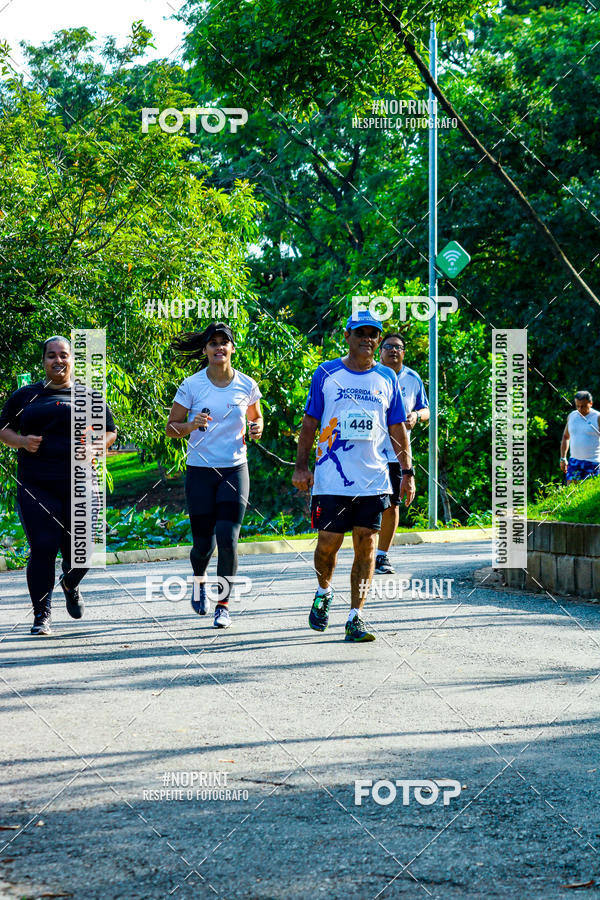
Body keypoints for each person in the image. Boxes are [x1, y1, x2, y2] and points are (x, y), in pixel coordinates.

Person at [292, 310, 415, 643]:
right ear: (346, 336)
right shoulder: (326, 373)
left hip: (373, 478)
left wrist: (407, 473)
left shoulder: (387, 378)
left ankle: (356, 616)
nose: (368, 339)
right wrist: (302, 466)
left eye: (373, 334)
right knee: (327, 545)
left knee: (367, 545)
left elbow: (397, 428)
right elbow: (309, 423)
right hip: (332, 477)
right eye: (360, 333)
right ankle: (324, 591)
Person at [0, 336, 117, 635]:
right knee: (42, 547)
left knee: (88, 548)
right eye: (51, 356)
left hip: (81, 484)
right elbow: (3, 429)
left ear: (72, 360)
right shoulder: (25, 396)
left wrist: (94, 448)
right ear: (43, 361)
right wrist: (22, 441)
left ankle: (70, 582)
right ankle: (42, 615)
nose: (58, 360)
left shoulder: (88, 396)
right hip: (36, 484)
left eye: (63, 355)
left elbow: (110, 433)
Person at [166, 322, 263, 629]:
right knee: (203, 543)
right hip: (200, 472)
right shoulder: (191, 386)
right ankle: (199, 580)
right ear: (205, 350)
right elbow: (171, 429)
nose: (219, 348)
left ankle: (223, 604)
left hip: (234, 469)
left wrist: (258, 427)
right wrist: (191, 425)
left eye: (224, 343)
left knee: (229, 537)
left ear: (232, 348)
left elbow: (256, 417)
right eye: (213, 343)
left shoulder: (246, 385)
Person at [375, 332, 429, 574]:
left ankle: (382, 556)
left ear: (404, 353)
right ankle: (365, 550)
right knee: (367, 503)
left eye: (398, 347)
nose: (393, 351)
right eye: (388, 346)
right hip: (370, 451)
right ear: (380, 351)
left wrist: (417, 416)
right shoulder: (371, 374)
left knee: (392, 505)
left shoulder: (412, 378)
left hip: (397, 452)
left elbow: (426, 409)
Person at [560, 391, 600, 483]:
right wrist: (563, 458)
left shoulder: (597, 417)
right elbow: (566, 437)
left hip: (593, 462)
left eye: (583, 406)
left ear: (590, 403)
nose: (580, 409)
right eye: (577, 406)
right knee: (571, 491)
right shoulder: (572, 416)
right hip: (574, 461)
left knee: (589, 494)